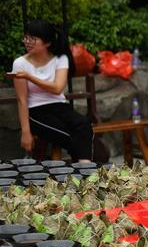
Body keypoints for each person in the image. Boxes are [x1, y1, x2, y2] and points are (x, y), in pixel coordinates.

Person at [10, 20, 94, 162]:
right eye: (26, 37)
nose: (27, 42)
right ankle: (86, 170)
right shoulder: (19, 63)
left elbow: (57, 89)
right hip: (35, 111)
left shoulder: (60, 59)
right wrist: (25, 132)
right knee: (67, 135)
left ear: (47, 43)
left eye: (33, 39)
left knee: (83, 124)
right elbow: (22, 100)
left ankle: (85, 170)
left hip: (59, 106)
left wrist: (29, 76)